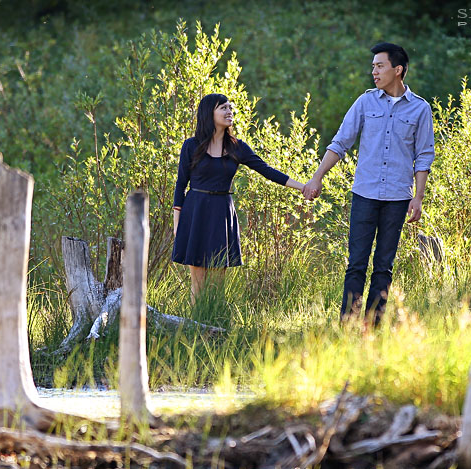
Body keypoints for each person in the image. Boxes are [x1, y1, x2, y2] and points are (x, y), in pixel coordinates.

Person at [303, 42, 435, 325]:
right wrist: (317, 176)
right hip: (365, 194)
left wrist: (418, 197)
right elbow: (341, 143)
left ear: (397, 70)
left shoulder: (420, 109)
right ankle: (347, 325)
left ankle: (372, 328)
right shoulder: (365, 102)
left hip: (399, 197)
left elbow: (423, 156)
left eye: (380, 66)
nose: (373, 71)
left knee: (384, 267)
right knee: (356, 264)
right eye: (373, 66)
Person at [173, 93, 305, 301]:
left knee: (217, 279)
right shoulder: (191, 145)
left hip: (221, 213)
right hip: (195, 212)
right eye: (223, 108)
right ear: (210, 113)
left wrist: (303, 187)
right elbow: (181, 184)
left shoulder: (237, 147)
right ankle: (194, 328)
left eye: (230, 108)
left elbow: (267, 171)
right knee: (197, 280)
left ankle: (215, 325)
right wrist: (177, 222)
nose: (229, 112)